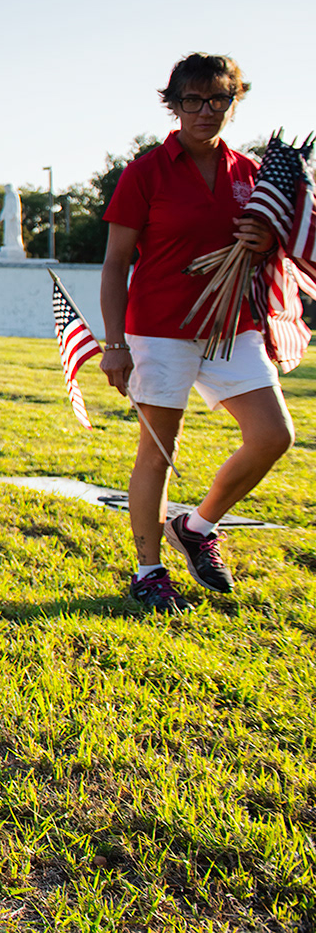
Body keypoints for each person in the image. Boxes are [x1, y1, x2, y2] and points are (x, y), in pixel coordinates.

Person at [99, 53, 295, 613]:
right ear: (174, 103)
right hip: (160, 329)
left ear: (235, 101)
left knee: (272, 437)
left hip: (234, 326)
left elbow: (274, 251)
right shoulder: (146, 172)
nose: (206, 111)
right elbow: (116, 263)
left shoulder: (251, 172)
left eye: (220, 99)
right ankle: (148, 570)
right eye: (194, 100)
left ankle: (198, 526)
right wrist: (115, 345)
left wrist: (264, 246)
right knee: (159, 450)